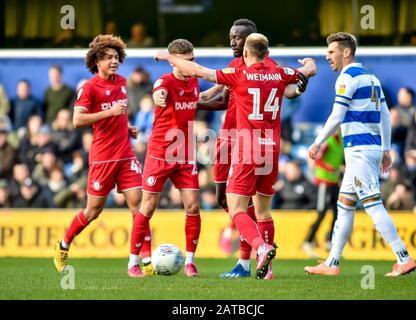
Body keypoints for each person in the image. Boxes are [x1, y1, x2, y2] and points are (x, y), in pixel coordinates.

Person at [155, 33, 316, 280]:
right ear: (268, 52)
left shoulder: (239, 75)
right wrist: (306, 68)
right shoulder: (281, 73)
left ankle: (261, 249)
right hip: (272, 150)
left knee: (236, 207)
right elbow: (310, 68)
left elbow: (198, 70)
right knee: (263, 212)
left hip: (247, 149)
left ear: (245, 54)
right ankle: (267, 270)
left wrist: (169, 57)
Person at [197, 18, 308, 278]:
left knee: (243, 203)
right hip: (228, 138)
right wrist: (198, 102)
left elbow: (289, 90)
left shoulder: (264, 67)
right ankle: (259, 244)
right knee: (223, 198)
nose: (232, 41)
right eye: (231, 36)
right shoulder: (236, 66)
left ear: (250, 41)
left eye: (238, 37)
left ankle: (247, 261)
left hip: (245, 142)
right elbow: (223, 98)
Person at [306, 32, 416, 277]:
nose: (327, 57)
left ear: (346, 52)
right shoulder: (372, 78)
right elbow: (386, 115)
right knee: (344, 205)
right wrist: (386, 148)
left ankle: (403, 257)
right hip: (370, 148)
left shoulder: (346, 78)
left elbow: (337, 116)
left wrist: (316, 143)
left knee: (372, 204)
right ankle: (332, 263)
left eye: (331, 52)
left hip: (359, 151)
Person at [53, 35, 143, 274]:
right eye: (108, 57)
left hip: (125, 155)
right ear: (97, 61)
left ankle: (141, 262)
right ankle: (63, 244)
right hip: (102, 158)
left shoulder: (122, 81)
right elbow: (77, 120)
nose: (114, 61)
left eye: (116, 57)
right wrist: (110, 112)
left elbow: (119, 115)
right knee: (93, 211)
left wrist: (127, 127)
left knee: (140, 207)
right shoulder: (89, 88)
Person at [128, 39, 212, 278]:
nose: (192, 64)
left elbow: (199, 99)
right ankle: (133, 262)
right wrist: (159, 98)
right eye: (188, 61)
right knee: (148, 207)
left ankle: (190, 262)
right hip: (160, 152)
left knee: (193, 205)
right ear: (175, 62)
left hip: (185, 152)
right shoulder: (164, 82)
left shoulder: (195, 81)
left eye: (193, 60)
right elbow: (159, 93)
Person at [302, 130, 343, 258]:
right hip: (323, 181)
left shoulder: (341, 140)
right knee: (322, 212)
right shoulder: (328, 142)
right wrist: (331, 168)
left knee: (337, 212)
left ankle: (329, 241)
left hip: (334, 181)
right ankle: (308, 241)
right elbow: (317, 161)